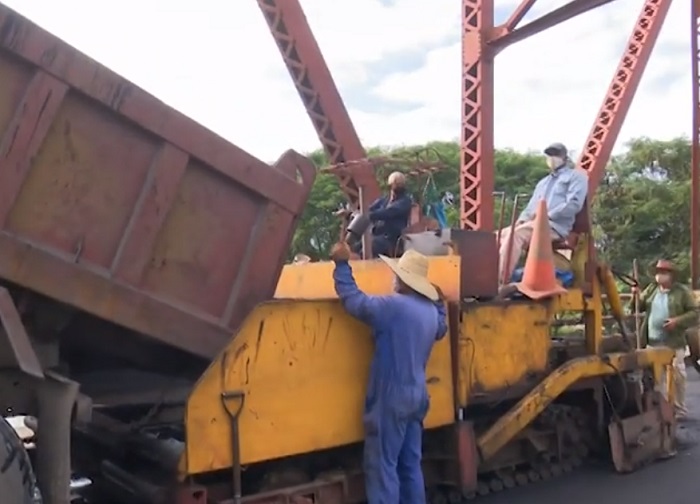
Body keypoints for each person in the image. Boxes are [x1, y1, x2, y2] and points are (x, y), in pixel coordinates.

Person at [330, 241, 448, 504]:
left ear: (405, 281)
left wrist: (341, 264)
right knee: (410, 465)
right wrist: (440, 302)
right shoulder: (429, 313)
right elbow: (442, 328)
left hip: (391, 396)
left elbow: (354, 301)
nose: (394, 279)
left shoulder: (392, 307)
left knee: (383, 467)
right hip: (418, 395)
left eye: (398, 276)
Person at [497, 143, 588, 283]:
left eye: (556, 155)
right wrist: (521, 221)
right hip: (533, 224)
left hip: (554, 226)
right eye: (550, 155)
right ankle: (481, 278)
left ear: (564, 157)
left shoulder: (576, 177)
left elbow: (573, 204)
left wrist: (547, 215)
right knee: (496, 237)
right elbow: (530, 207)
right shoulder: (543, 183)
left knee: (516, 235)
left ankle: (499, 280)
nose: (552, 158)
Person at [631, 259, 697, 420]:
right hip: (652, 341)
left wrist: (677, 321)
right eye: (658, 273)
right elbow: (636, 307)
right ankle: (659, 408)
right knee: (655, 377)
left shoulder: (681, 292)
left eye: (664, 273)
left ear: (672, 275)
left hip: (673, 341)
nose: (660, 276)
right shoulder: (652, 289)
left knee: (677, 375)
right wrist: (635, 295)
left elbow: (695, 312)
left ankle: (679, 409)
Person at [337, 171, 413, 258]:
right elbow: (367, 210)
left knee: (369, 248)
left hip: (391, 238)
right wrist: (350, 213)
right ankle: (346, 244)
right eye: (396, 184)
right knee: (355, 248)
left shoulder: (405, 202)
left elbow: (388, 212)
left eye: (400, 184)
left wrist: (368, 215)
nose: (398, 186)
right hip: (376, 235)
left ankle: (362, 263)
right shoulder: (383, 200)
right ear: (390, 185)